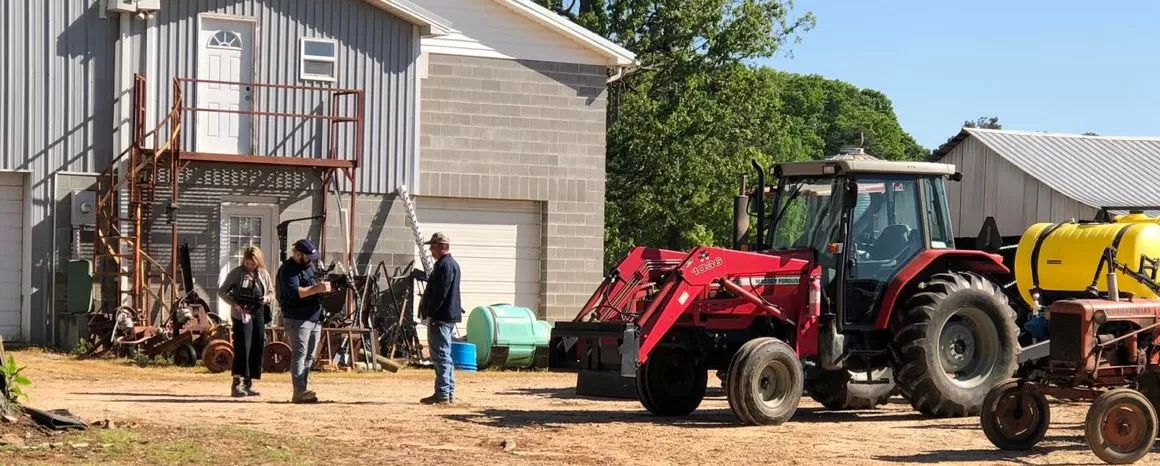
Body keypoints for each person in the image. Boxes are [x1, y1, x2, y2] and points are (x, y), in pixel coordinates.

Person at [276, 238, 331, 404]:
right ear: (298, 254)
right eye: (307, 257)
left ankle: (304, 388)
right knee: (300, 353)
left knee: (310, 355)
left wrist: (322, 287)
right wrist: (317, 288)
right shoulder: (288, 270)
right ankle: (298, 390)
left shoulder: (309, 267)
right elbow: (297, 293)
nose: (310, 261)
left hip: (314, 316)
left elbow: (313, 285)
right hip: (297, 318)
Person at [219, 246, 276, 397]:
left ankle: (248, 383)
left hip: (258, 311)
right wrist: (235, 304)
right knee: (243, 346)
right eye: (247, 263)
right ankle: (236, 383)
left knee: (256, 346)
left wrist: (266, 299)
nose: (250, 266)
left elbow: (271, 291)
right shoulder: (237, 273)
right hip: (241, 313)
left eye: (253, 263)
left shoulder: (263, 273)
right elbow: (222, 291)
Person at [417, 232, 462, 405]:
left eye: (434, 246)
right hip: (447, 316)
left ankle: (443, 393)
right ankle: (447, 392)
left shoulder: (444, 265)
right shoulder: (452, 264)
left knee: (440, 355)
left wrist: (430, 312)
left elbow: (440, 293)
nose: (431, 249)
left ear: (443, 247)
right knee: (445, 355)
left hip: (440, 317)